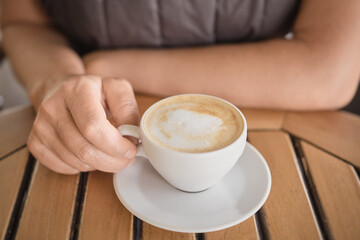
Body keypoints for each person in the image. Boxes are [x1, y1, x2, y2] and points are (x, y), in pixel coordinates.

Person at [2, 0, 360, 174]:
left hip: (273, 106)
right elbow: (20, 20)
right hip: (89, 103)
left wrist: (102, 65)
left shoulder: (99, 65)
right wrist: (57, 80)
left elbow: (330, 68)